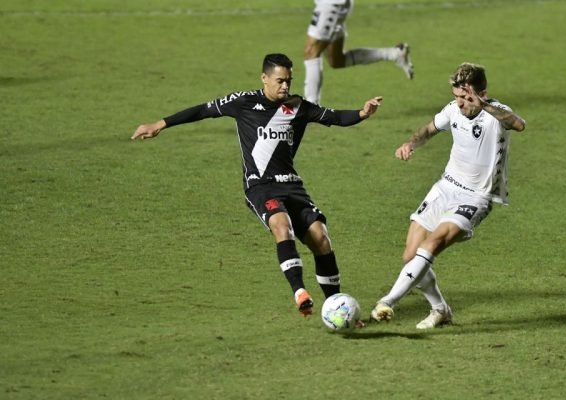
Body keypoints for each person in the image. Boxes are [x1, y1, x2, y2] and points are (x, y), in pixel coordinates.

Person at [131, 53, 382, 318]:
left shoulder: (298, 106)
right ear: (264, 78)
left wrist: (363, 113)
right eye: (280, 81)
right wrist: (160, 124)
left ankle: (337, 307)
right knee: (281, 224)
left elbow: (335, 117)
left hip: (293, 186)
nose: (285, 86)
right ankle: (300, 292)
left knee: (321, 236)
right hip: (260, 187)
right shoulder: (243, 102)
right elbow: (202, 110)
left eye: (289, 81)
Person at [370, 62, 526, 329]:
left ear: (482, 93)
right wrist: (410, 143)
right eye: (458, 97)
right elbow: (429, 129)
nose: (462, 104)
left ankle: (388, 301)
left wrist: (484, 105)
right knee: (411, 256)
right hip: (445, 187)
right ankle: (440, 310)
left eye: (467, 98)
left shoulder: (496, 114)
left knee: (432, 244)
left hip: (476, 197)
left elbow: (519, 124)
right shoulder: (453, 110)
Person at [304, 0, 413, 104]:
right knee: (336, 60)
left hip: (331, 4)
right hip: (329, 4)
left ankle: (310, 108)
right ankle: (396, 53)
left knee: (311, 51)